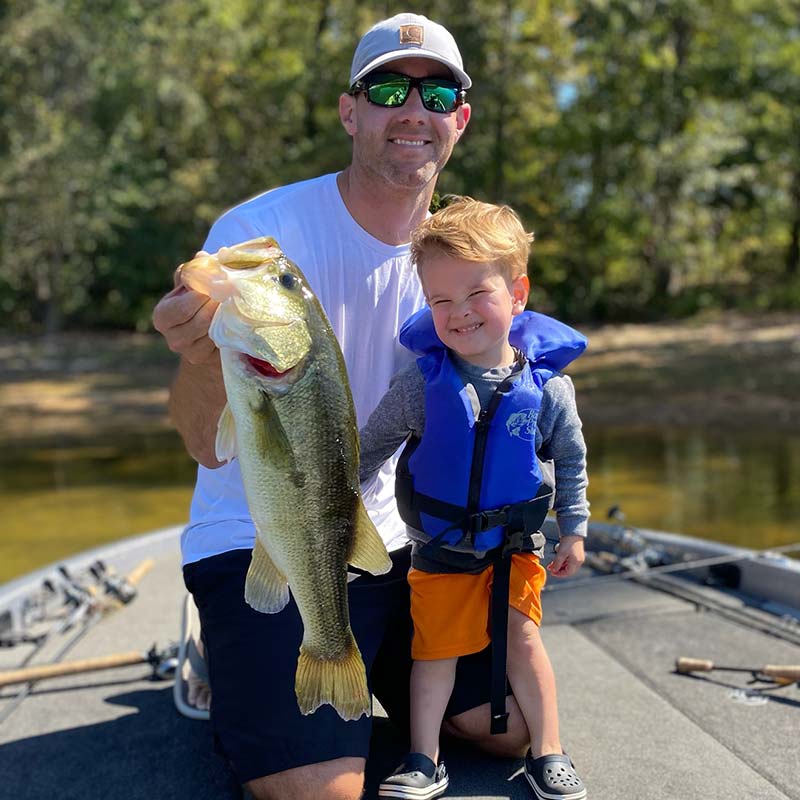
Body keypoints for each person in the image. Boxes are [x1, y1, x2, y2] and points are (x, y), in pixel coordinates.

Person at [152, 13, 535, 800]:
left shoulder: (462, 257)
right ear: (350, 111)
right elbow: (203, 442)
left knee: (510, 728)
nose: (413, 111)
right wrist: (199, 351)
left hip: (398, 538)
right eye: (388, 89)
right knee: (323, 793)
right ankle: (227, 661)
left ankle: (350, 689)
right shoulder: (260, 236)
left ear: (459, 121)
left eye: (437, 94)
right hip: (262, 533)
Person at [357, 198, 589, 800]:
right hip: (438, 551)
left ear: (517, 293)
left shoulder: (550, 389)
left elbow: (571, 462)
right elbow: (368, 451)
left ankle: (550, 752)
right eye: (440, 301)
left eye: (476, 294)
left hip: (515, 549)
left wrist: (575, 530)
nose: (458, 314)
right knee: (432, 653)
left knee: (524, 640)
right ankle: (423, 758)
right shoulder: (419, 387)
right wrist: (330, 508)